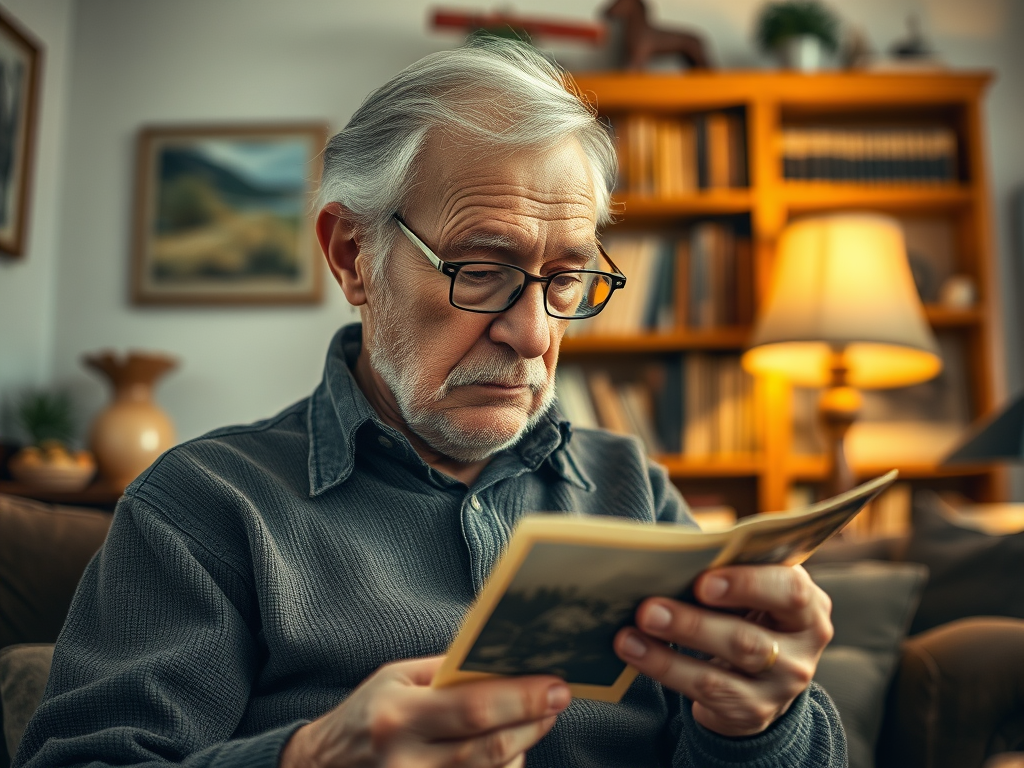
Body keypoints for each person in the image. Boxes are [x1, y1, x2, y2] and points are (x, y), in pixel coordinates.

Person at [14, 37, 843, 768]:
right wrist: (309, 760)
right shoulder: (204, 506)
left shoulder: (636, 491)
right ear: (353, 257)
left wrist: (758, 724)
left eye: (567, 279)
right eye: (481, 270)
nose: (531, 333)